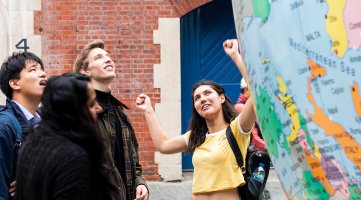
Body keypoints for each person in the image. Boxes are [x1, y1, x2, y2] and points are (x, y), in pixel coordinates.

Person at [135, 39, 256, 200]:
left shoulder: (237, 130)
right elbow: (163, 145)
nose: (202, 99)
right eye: (197, 98)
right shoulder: (197, 137)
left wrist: (236, 56)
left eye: (207, 93)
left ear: (221, 98)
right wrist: (148, 111)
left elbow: (257, 93)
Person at [74, 39, 148, 200]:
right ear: (85, 71)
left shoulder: (120, 112)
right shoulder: (79, 112)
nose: (108, 59)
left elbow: (133, 159)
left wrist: (140, 183)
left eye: (108, 56)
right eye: (99, 57)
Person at [14, 73, 106, 200]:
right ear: (73, 111)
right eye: (91, 104)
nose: (99, 108)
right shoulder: (73, 157)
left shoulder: (31, 144)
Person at [0, 52, 47, 199]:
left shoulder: (46, 123)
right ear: (14, 83)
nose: (43, 74)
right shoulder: (0, 127)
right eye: (33, 70)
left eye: (42, 69)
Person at [235, 78, 265, 152]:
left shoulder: (250, 106)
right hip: (255, 152)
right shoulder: (241, 108)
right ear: (247, 89)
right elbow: (253, 138)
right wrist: (270, 148)